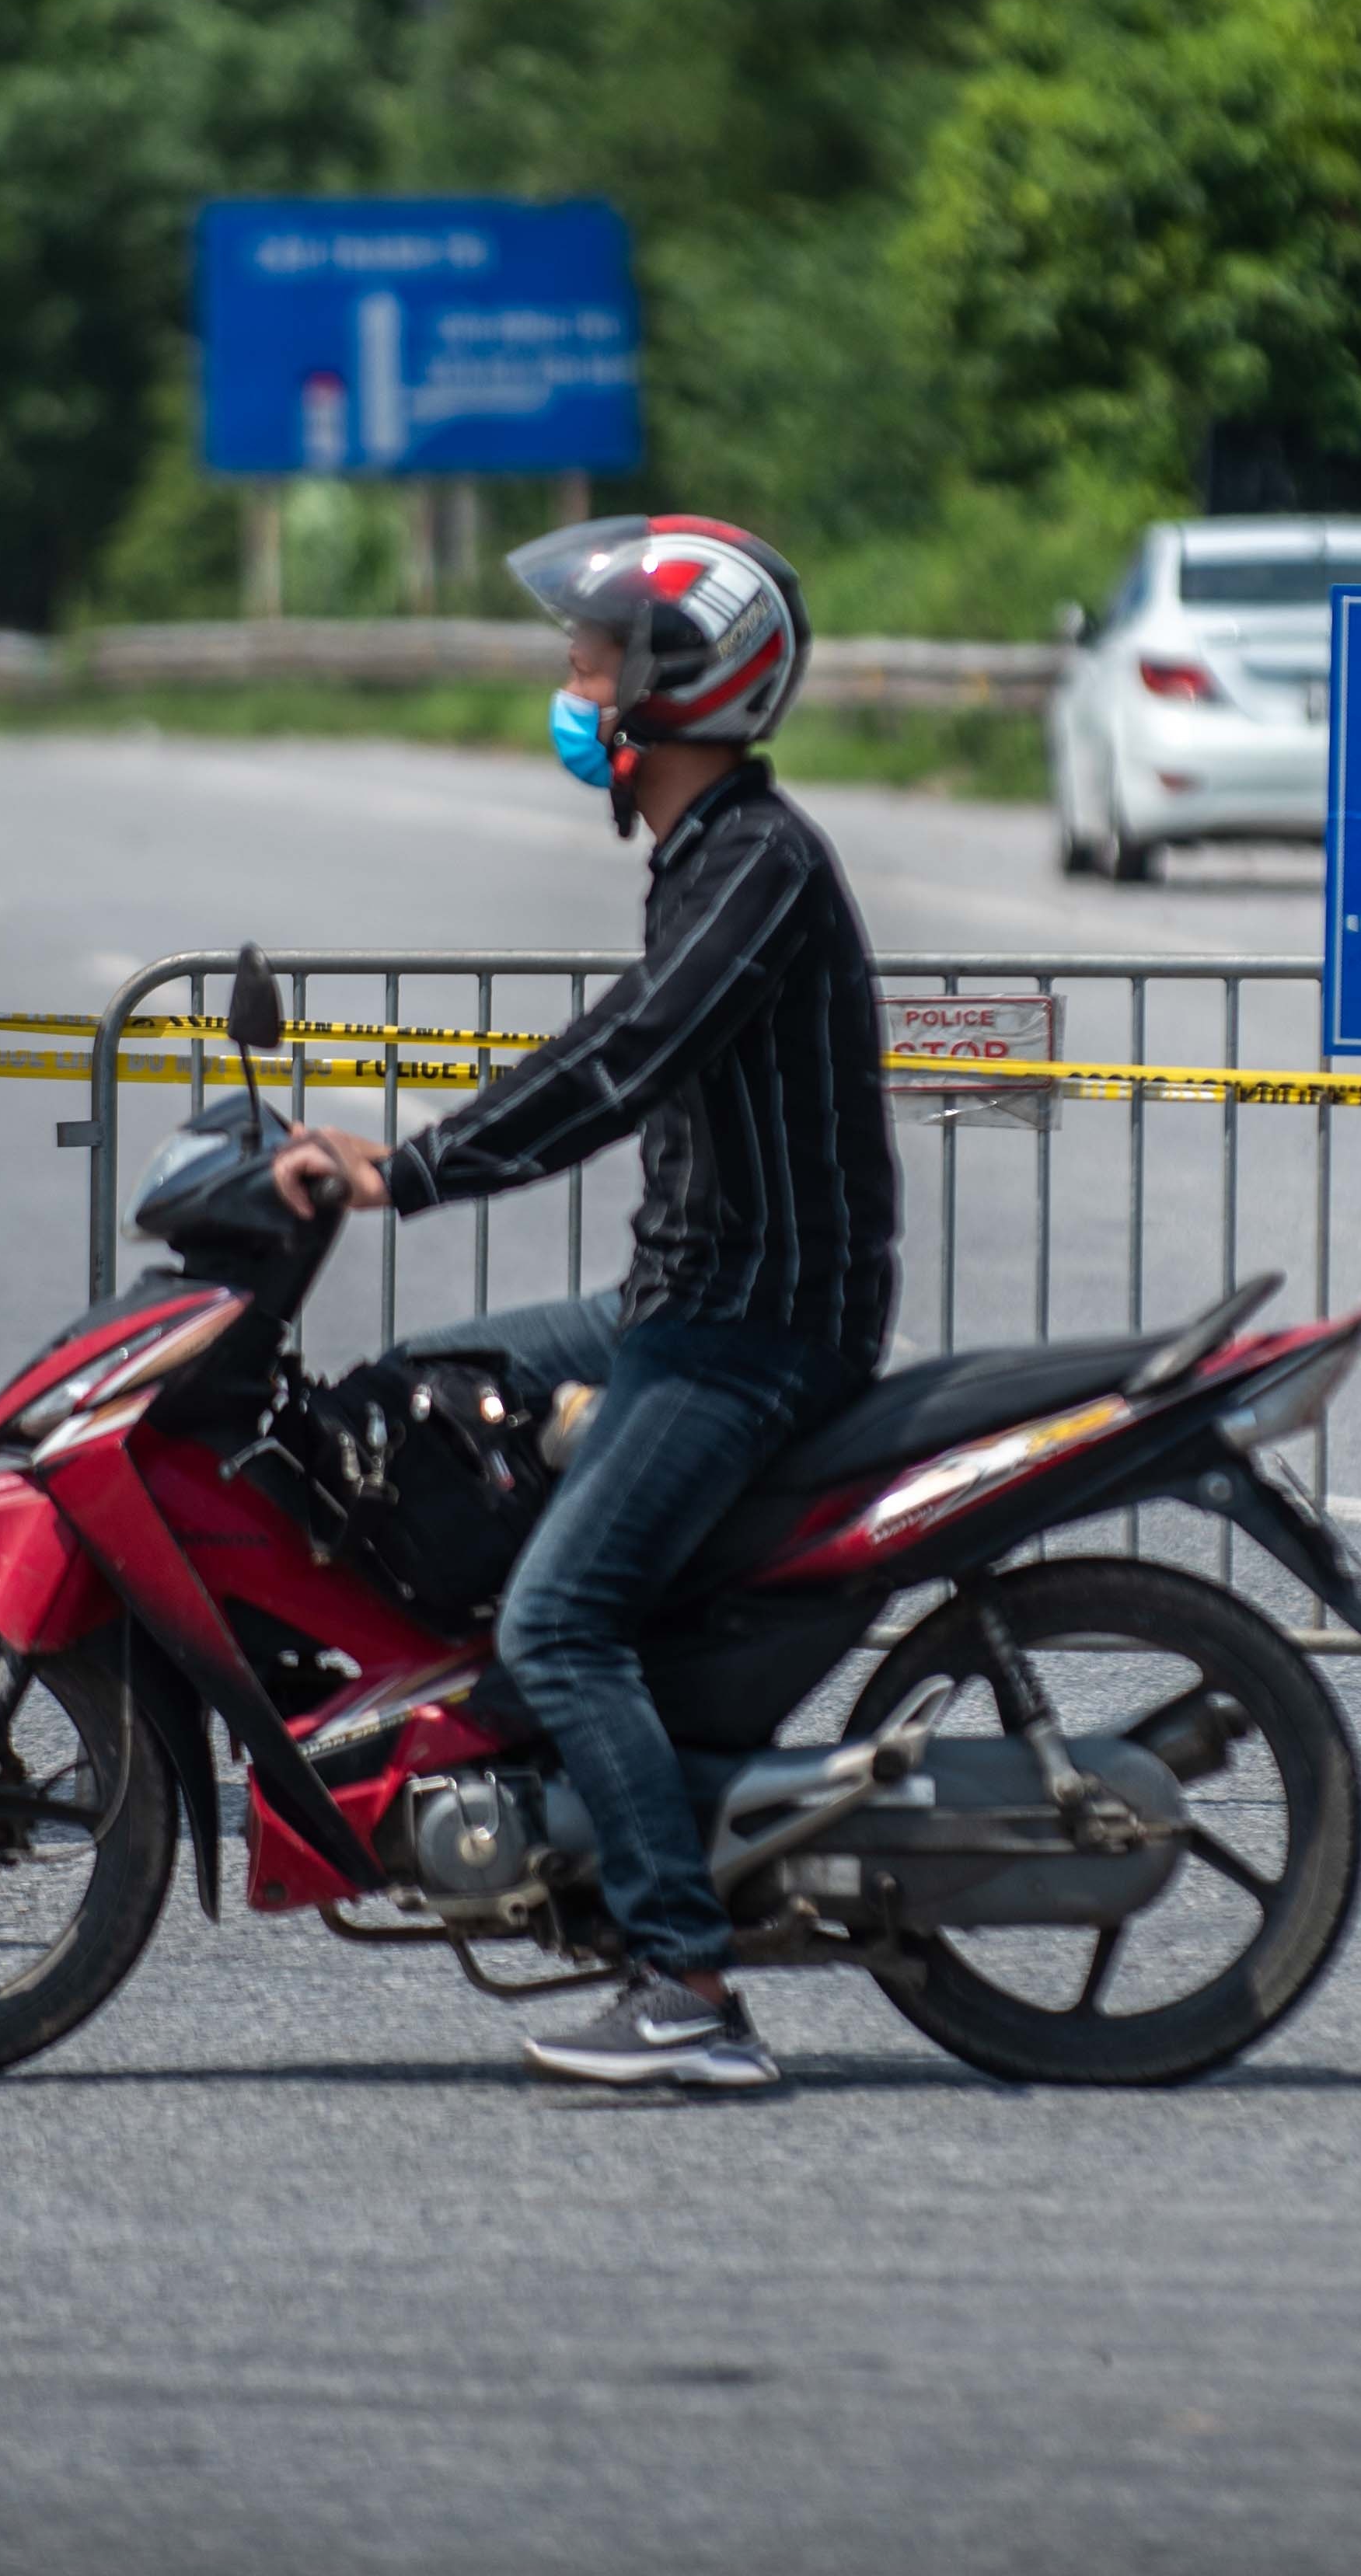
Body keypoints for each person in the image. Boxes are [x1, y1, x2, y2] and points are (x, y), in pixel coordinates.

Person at [273, 515, 895, 2095]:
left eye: (591, 657)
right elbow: (617, 1048)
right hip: (677, 1299)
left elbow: (619, 1062)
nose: (570, 681)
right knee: (417, 1389)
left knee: (561, 1618)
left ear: (676, 682)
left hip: (751, 1328)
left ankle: (684, 1977)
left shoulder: (755, 865)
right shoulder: (704, 858)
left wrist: (403, 1170)